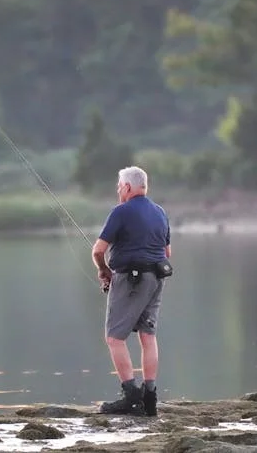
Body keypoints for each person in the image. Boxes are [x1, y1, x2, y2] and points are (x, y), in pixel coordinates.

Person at [91, 166, 172, 416]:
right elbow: (167, 253)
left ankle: (131, 397)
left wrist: (104, 270)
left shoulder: (121, 211)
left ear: (127, 187)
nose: (118, 191)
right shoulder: (160, 212)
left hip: (131, 279)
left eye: (119, 187)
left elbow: (97, 250)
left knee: (115, 338)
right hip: (157, 277)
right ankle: (150, 398)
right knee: (148, 336)